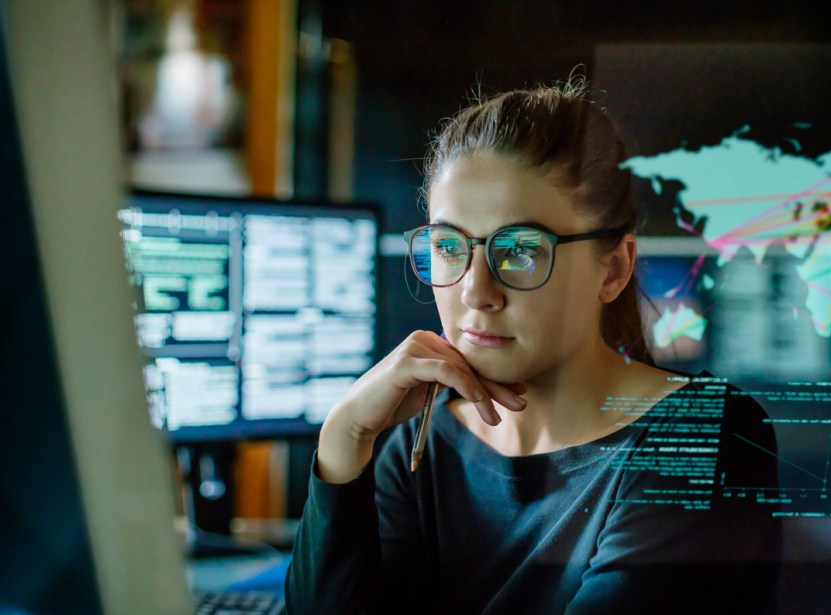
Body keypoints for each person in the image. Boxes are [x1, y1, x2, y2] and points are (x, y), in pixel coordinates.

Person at [285, 80, 782, 614]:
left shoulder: (706, 438)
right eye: (448, 247)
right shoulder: (421, 446)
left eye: (521, 250)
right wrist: (344, 436)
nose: (475, 291)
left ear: (612, 269)